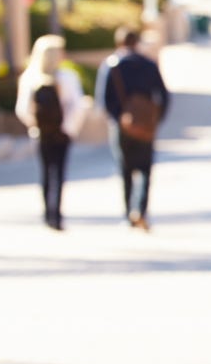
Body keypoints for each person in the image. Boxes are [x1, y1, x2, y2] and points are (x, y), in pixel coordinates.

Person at [15, 34, 86, 230]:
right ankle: (56, 214)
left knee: (46, 173)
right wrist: (68, 128)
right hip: (61, 134)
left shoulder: (30, 78)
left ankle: (48, 213)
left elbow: (22, 109)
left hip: (41, 134)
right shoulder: (67, 77)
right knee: (58, 172)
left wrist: (35, 125)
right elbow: (77, 106)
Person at [101, 28, 169, 231]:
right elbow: (164, 95)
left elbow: (104, 99)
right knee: (146, 169)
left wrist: (119, 119)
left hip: (123, 125)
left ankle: (128, 213)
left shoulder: (112, 65)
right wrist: (156, 119)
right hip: (147, 124)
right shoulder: (148, 64)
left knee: (125, 169)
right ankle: (141, 209)